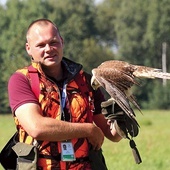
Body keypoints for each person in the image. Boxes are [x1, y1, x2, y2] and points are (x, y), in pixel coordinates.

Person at [8, 18, 122, 170]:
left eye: (53, 42)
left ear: (62, 41)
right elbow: (36, 127)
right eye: (41, 45)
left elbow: (111, 133)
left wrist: (123, 115)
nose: (48, 49)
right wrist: (89, 130)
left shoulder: (86, 80)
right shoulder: (22, 80)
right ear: (29, 48)